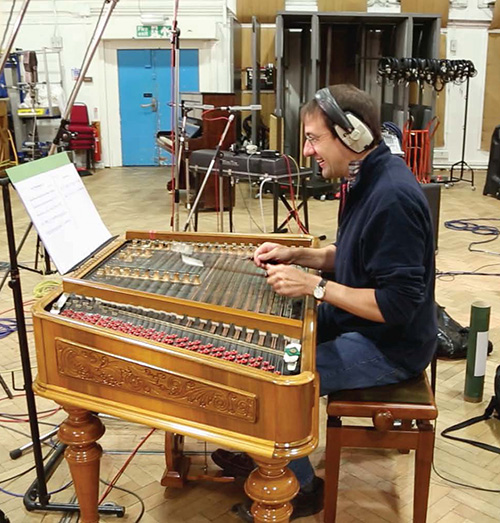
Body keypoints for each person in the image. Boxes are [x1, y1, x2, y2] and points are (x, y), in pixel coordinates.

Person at [226, 84, 437, 521]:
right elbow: (355, 255)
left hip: (391, 346)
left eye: (314, 138)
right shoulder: (365, 177)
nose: (307, 151)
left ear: (353, 135)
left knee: (276, 377)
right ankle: (263, 449)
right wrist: (299, 255)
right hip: (360, 321)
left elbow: (395, 305)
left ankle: (299, 486)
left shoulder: (392, 197)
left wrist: (314, 286)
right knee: (266, 339)